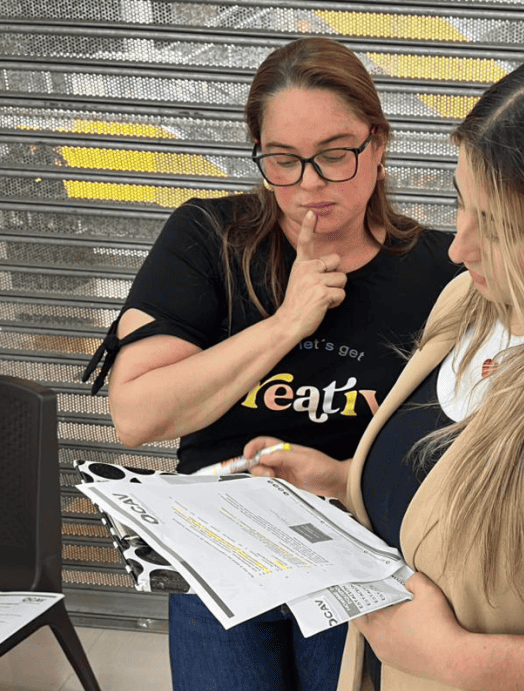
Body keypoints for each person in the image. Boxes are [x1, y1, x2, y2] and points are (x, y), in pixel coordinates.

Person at [251, 52, 524, 691]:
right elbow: (444, 492)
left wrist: (457, 659)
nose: (459, 247)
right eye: (461, 203)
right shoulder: (465, 302)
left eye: (500, 227)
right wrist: (345, 479)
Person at [82, 37, 460, 691]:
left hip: (361, 549)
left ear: (378, 143)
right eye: (284, 160)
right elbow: (136, 414)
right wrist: (287, 323)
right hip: (221, 543)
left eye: (335, 155)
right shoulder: (209, 238)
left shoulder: (440, 269)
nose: (310, 184)